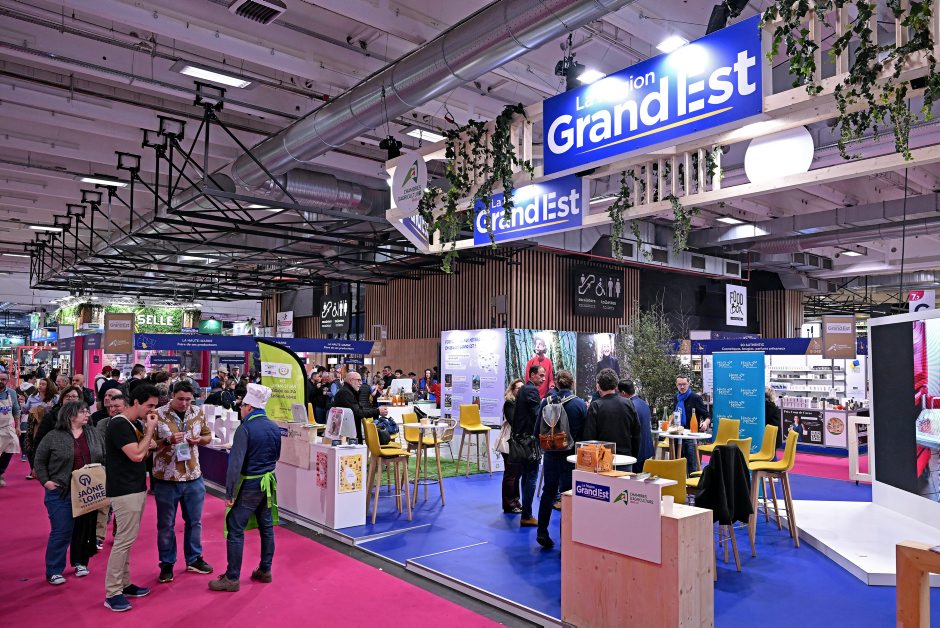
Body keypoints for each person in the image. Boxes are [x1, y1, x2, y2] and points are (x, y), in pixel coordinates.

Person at [209, 383, 281, 592]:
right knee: (266, 526)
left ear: (249, 407)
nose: (240, 409)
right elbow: (277, 455)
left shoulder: (245, 428)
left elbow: (235, 464)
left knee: (234, 526)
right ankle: (265, 569)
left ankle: (232, 578)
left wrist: (230, 493)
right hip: (268, 481)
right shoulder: (274, 426)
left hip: (250, 483)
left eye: (242, 405)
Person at [103, 384, 160, 612]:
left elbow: (141, 453)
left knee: (127, 539)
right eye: (149, 405)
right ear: (136, 402)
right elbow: (137, 455)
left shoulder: (133, 423)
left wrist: (148, 441)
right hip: (124, 489)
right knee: (123, 541)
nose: (152, 410)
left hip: (135, 487)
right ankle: (112, 592)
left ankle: (124, 584)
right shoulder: (119, 424)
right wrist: (150, 432)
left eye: (155, 406)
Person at [34, 401, 104, 583]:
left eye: (87, 411)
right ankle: (54, 570)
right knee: (62, 530)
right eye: (83, 411)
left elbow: (104, 456)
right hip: (61, 491)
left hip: (88, 491)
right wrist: (46, 482)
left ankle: (81, 562)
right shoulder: (53, 436)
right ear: (70, 415)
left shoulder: (93, 433)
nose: (87, 414)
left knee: (84, 530)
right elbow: (39, 460)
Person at [152, 382, 213, 583]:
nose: (184, 403)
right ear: (172, 395)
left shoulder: (198, 412)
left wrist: (199, 440)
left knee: (195, 522)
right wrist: (167, 441)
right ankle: (167, 563)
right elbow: (148, 445)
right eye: (180, 399)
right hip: (166, 478)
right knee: (166, 525)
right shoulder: (157, 415)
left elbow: (208, 436)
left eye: (188, 399)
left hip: (193, 476)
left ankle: (194, 558)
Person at [535, 370, 586, 548]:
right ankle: (566, 541)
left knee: (548, 492)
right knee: (568, 496)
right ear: (572, 384)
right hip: (570, 456)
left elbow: (536, 431)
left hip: (550, 454)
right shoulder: (579, 404)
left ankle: (542, 531)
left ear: (556, 384)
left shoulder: (546, 402)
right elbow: (585, 434)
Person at [583, 369, 641, 466]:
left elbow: (589, 437)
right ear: (616, 385)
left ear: (598, 386)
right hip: (625, 459)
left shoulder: (596, 406)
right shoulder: (628, 403)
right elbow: (636, 433)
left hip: (602, 460)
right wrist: (632, 456)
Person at [513, 364, 544, 527]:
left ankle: (526, 513)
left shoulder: (523, 390)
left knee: (526, 476)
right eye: (541, 375)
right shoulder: (532, 391)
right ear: (532, 375)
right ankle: (527, 515)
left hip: (521, 439)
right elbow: (537, 415)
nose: (544, 378)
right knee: (531, 476)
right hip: (530, 440)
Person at [332, 371, 388, 441]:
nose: (361, 383)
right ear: (350, 380)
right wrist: (377, 411)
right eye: (358, 380)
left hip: (350, 432)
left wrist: (376, 411)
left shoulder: (349, 391)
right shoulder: (345, 393)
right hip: (348, 434)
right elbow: (357, 413)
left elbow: (359, 410)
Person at [674, 375, 709, 474]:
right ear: (676, 385)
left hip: (691, 436)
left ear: (688, 384)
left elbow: (707, 415)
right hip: (677, 434)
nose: (682, 387)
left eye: (684, 384)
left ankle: (693, 483)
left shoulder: (695, 398)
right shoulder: (676, 397)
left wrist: (705, 423)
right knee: (677, 464)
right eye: (679, 384)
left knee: (692, 466)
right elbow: (675, 413)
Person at [618, 380, 654, 471]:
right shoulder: (643, 403)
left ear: (623, 393)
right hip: (646, 449)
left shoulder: (629, 406)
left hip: (636, 452)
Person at [35, 386, 83, 450]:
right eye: (67, 396)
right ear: (62, 399)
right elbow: (39, 441)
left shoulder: (85, 417)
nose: (70, 398)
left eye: (74, 396)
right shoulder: (50, 417)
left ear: (79, 400)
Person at [501, 379, 524, 514]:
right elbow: (514, 422)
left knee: (517, 475)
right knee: (510, 475)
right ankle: (509, 504)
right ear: (512, 389)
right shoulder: (509, 403)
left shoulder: (520, 403)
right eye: (518, 388)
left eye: (522, 388)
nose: (520, 391)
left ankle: (515, 501)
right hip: (509, 443)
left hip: (517, 444)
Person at [0, 370, 22, 487]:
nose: (1, 381)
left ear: (7, 381)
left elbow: (16, 410)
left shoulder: (12, 393)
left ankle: (0, 472)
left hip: (8, 427)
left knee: (11, 448)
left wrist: (18, 426)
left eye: (3, 379)